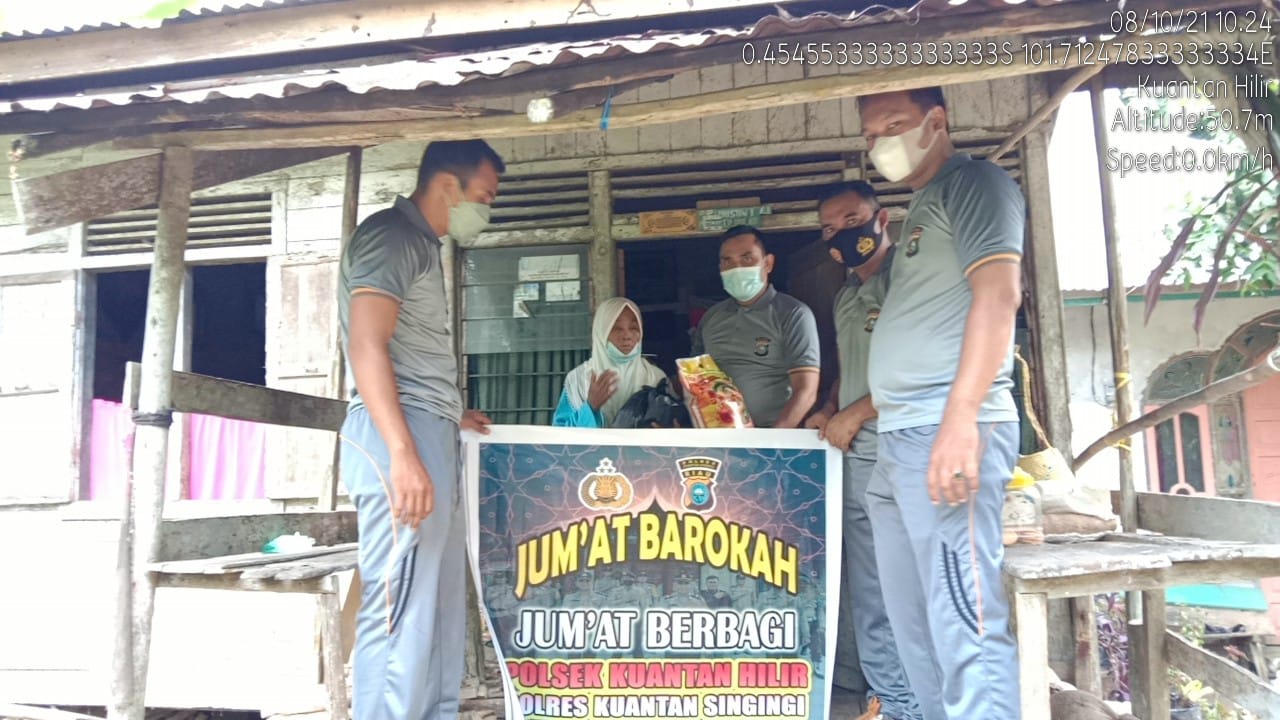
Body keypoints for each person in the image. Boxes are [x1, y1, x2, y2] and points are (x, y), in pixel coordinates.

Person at [859, 86, 1025, 720]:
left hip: (946, 428)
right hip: (902, 438)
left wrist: (962, 418)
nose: (881, 143)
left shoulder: (976, 184)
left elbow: (999, 295)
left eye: (894, 124)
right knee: (917, 623)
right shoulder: (924, 206)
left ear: (936, 121)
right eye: (870, 134)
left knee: (963, 617)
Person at [338, 139, 503, 720]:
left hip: (426, 431)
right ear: (449, 186)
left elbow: (407, 352)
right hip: (398, 439)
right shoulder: (392, 238)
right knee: (398, 609)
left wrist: (450, 413)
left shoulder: (421, 246)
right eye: (486, 196)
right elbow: (366, 344)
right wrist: (403, 454)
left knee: (434, 609)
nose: (487, 209)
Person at [806, 181, 920, 720]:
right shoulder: (846, 294)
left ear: (882, 218)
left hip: (901, 449)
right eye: (830, 229)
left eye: (852, 221)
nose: (842, 236)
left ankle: (906, 702)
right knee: (868, 584)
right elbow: (850, 367)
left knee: (902, 582)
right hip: (854, 455)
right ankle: (887, 697)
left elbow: (923, 368)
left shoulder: (909, 279)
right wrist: (831, 406)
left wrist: (855, 414)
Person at [692, 226, 821, 428]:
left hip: (772, 435)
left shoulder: (793, 314)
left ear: (768, 263)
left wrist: (773, 441)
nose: (737, 268)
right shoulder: (711, 318)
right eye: (727, 261)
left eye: (747, 258)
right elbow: (695, 380)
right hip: (718, 437)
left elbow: (806, 391)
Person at [553, 297, 666, 427]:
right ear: (601, 332)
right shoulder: (579, 380)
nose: (627, 336)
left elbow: (671, 428)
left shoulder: (655, 378)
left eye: (634, 328)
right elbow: (560, 434)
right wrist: (590, 407)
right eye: (617, 328)